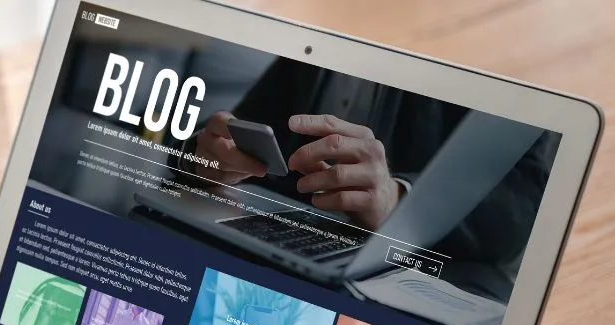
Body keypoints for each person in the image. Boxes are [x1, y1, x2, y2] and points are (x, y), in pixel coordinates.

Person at [180, 58, 557, 300]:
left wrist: (398, 201)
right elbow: (236, 133)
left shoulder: (492, 53)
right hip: (266, 261)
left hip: (404, 286)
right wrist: (208, 159)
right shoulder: (318, 32)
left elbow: (520, 208)